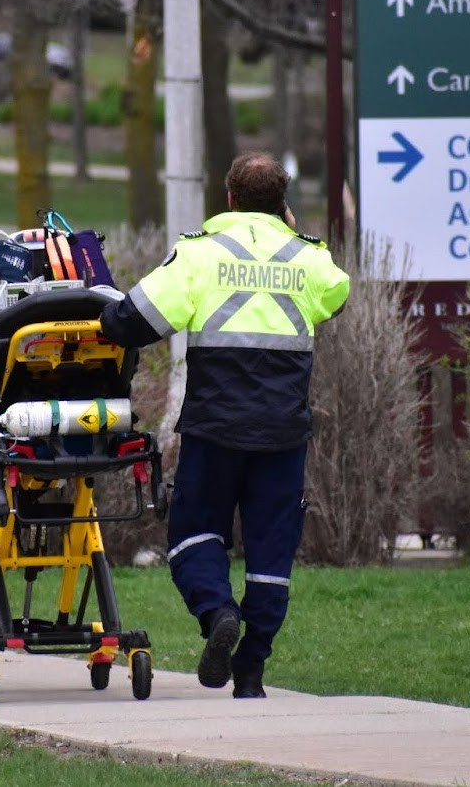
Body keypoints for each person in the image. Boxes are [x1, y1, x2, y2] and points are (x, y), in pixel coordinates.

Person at [99, 153, 350, 698]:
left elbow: (129, 322)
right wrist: (290, 235)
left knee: (193, 533)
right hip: (283, 434)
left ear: (229, 198)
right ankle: (252, 670)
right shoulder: (307, 258)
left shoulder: (200, 254)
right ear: (283, 205)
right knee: (271, 551)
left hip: (215, 430)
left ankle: (216, 614)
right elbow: (337, 293)